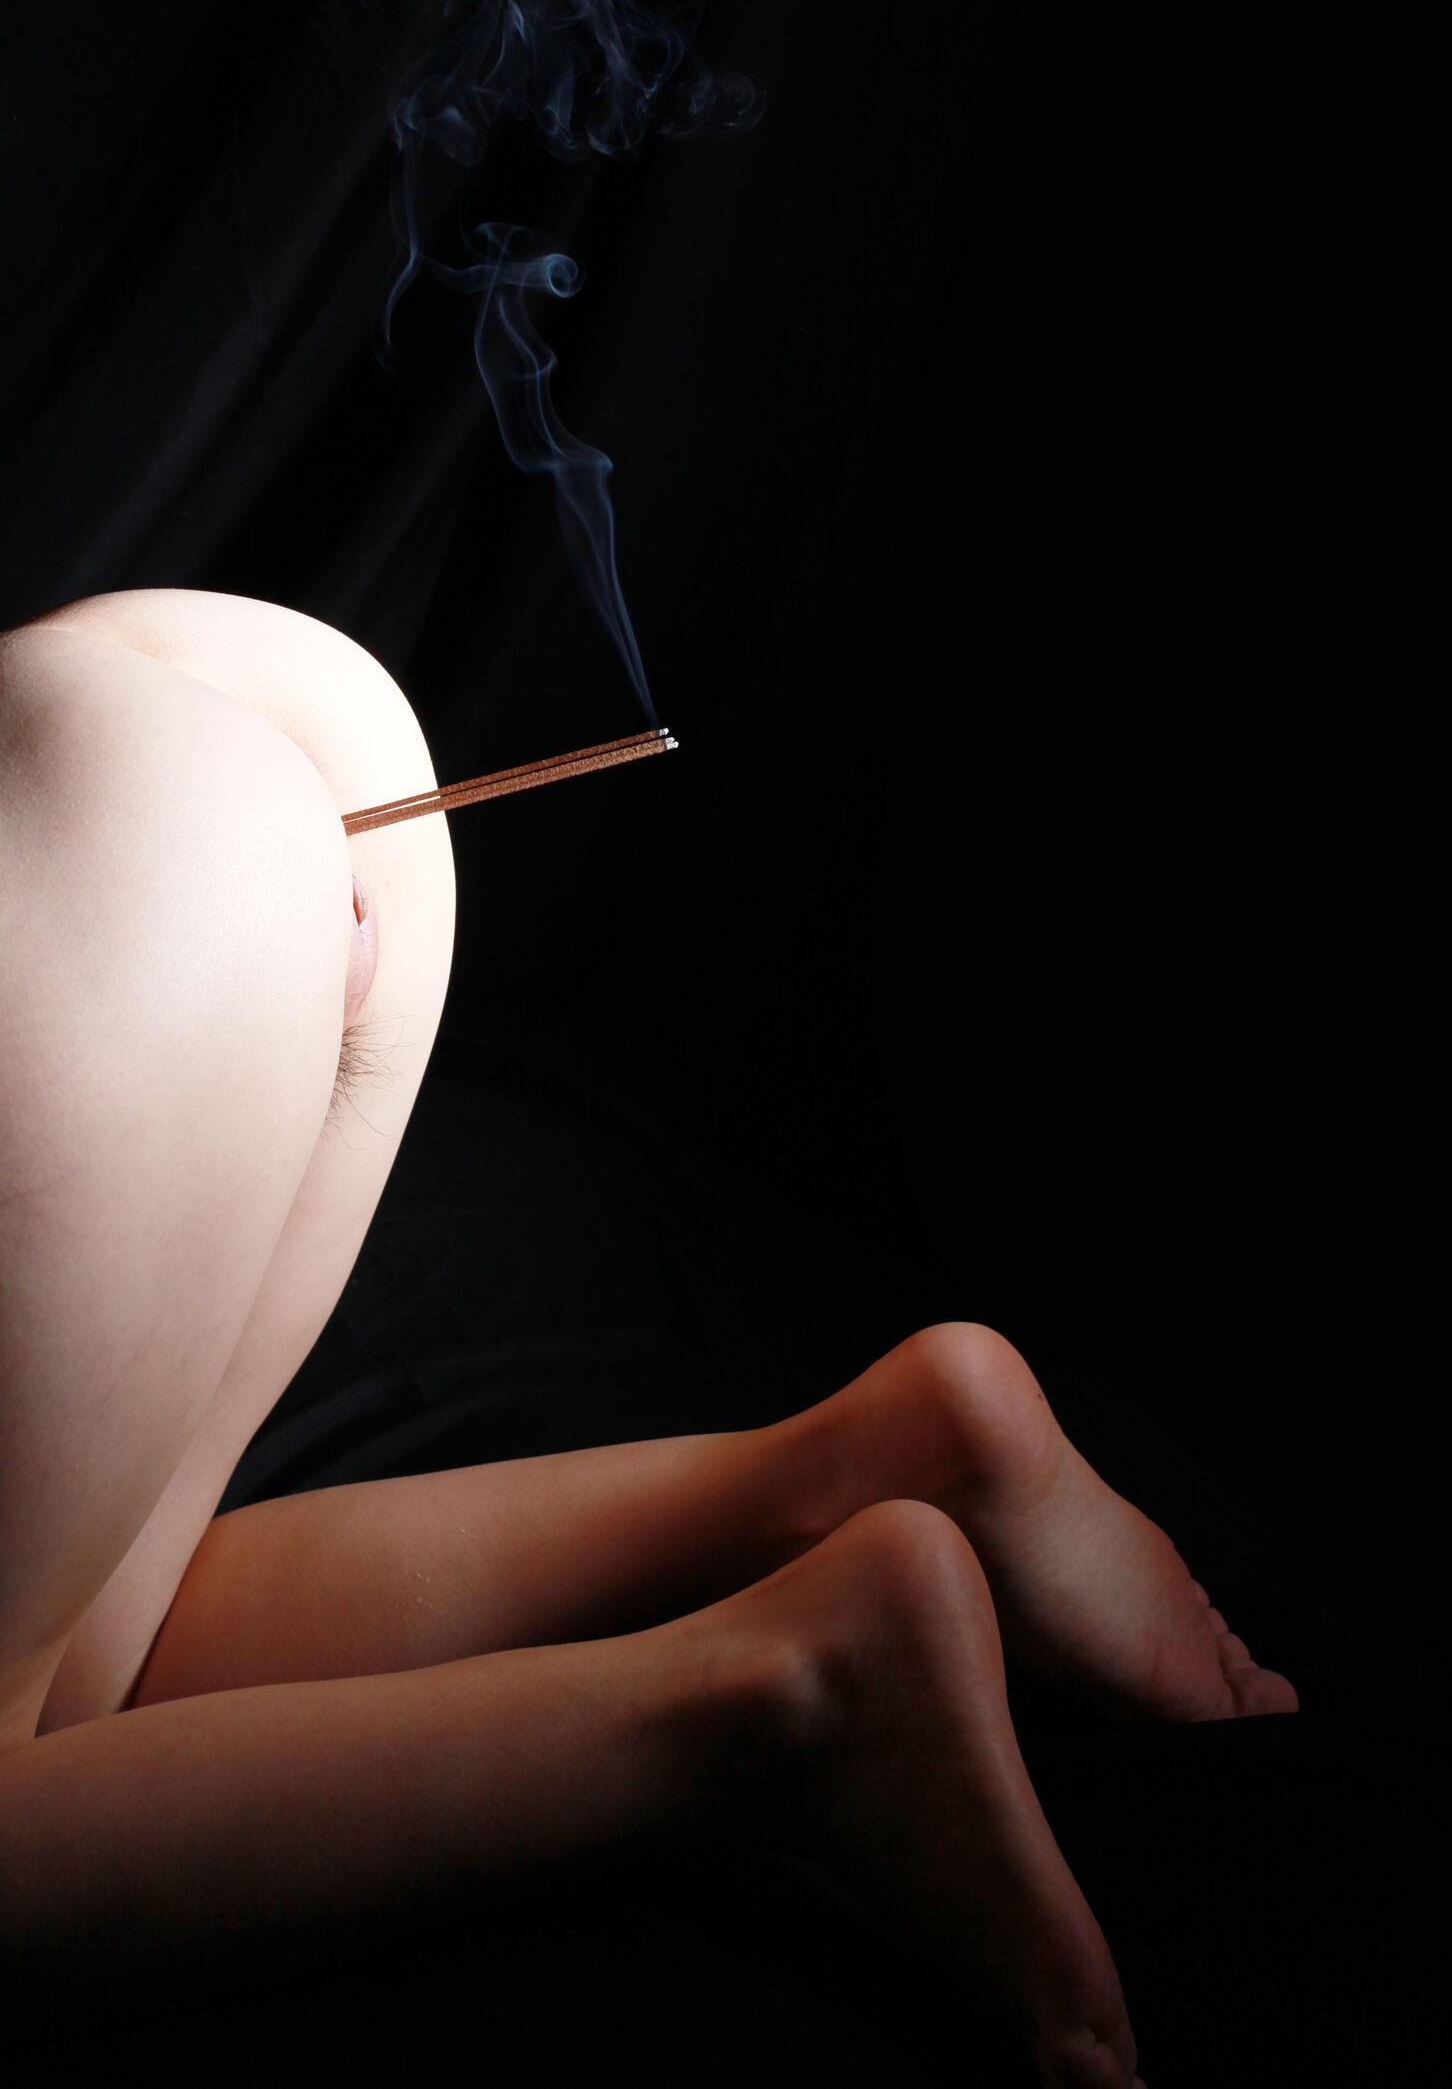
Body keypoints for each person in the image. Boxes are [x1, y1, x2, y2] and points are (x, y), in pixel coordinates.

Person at [0, 589, 1295, 2084]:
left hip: (124, 865)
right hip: (210, 730)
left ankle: (790, 1688)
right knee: (80, 1700)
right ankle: (868, 1461)